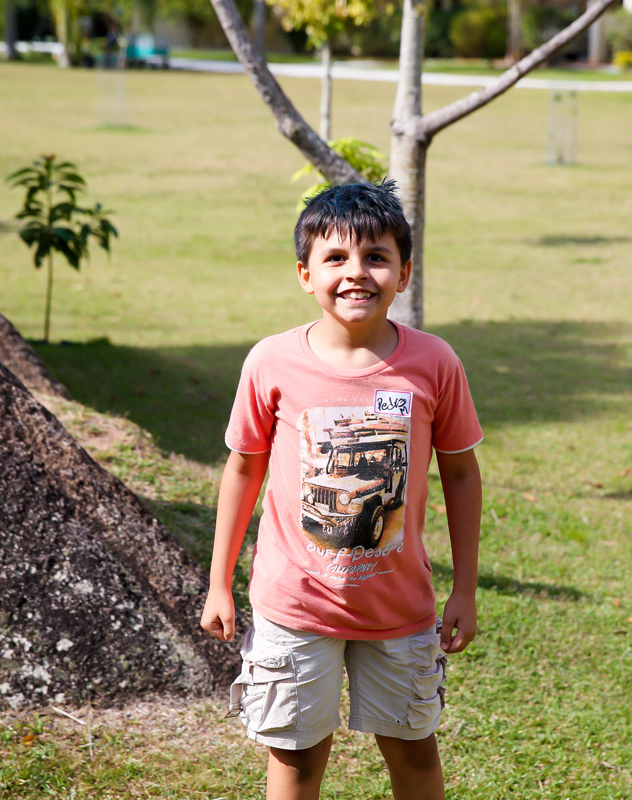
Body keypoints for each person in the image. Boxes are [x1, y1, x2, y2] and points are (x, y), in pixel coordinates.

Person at [200, 180, 483, 800]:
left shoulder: (435, 363)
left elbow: (461, 473)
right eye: (335, 258)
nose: (356, 272)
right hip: (294, 604)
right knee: (297, 760)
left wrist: (464, 588)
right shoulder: (271, 362)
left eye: (376, 257)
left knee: (413, 750)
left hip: (399, 607)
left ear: (404, 273)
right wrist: (220, 581)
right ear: (306, 274)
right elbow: (243, 469)